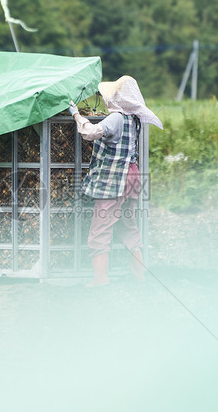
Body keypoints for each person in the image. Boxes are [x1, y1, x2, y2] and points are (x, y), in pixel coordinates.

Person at [69, 75, 163, 285]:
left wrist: (76, 115)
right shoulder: (134, 119)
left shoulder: (116, 118)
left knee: (100, 227)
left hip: (115, 179)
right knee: (127, 223)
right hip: (132, 175)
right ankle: (139, 273)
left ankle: (100, 278)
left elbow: (91, 132)